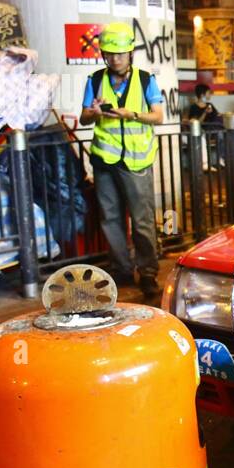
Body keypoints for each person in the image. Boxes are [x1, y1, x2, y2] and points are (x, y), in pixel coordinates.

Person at [79, 22, 166, 300]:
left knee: (142, 221)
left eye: (120, 53)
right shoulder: (94, 80)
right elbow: (84, 118)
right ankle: (122, 270)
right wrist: (93, 112)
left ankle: (148, 273)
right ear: (103, 54)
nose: (115, 59)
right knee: (111, 219)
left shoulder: (145, 80)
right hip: (105, 161)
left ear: (130, 53)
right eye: (109, 54)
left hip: (137, 162)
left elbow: (158, 116)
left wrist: (132, 115)